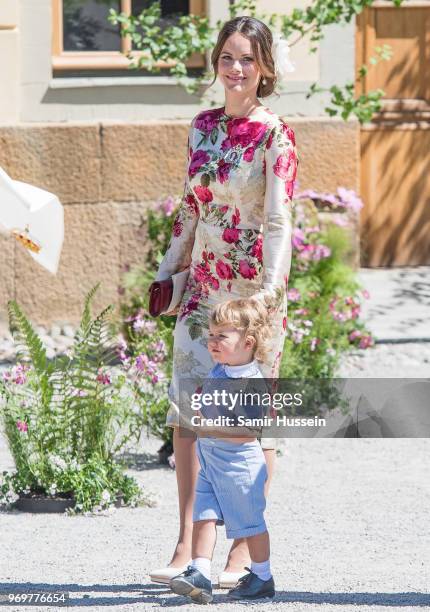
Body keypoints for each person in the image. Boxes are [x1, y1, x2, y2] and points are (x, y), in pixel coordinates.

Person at [150, 14, 298, 588]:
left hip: (250, 299)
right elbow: (191, 207)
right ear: (217, 63)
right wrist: (168, 272)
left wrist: (269, 292)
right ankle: (188, 544)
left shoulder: (274, 134)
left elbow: (280, 220)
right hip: (202, 291)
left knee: (245, 428)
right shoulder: (202, 126)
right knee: (187, 416)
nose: (235, 69)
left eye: (246, 60)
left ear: (263, 68)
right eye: (227, 58)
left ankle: (242, 551)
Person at [169, 298, 275, 603]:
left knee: (250, 524)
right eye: (211, 335)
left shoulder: (252, 383)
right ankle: (199, 573)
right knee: (203, 516)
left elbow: (247, 433)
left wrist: (210, 427)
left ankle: (262, 576)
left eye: (221, 337)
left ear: (248, 342)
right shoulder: (220, 370)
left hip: (240, 468)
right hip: (211, 465)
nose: (212, 342)